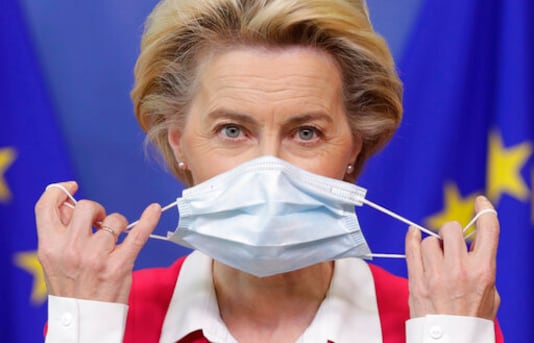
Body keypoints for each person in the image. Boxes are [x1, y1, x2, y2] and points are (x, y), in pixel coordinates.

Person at [35, 0, 504, 342]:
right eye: (232, 130)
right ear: (179, 142)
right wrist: (84, 323)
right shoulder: (106, 313)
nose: (269, 171)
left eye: (305, 133)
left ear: (353, 148)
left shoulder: (436, 318)